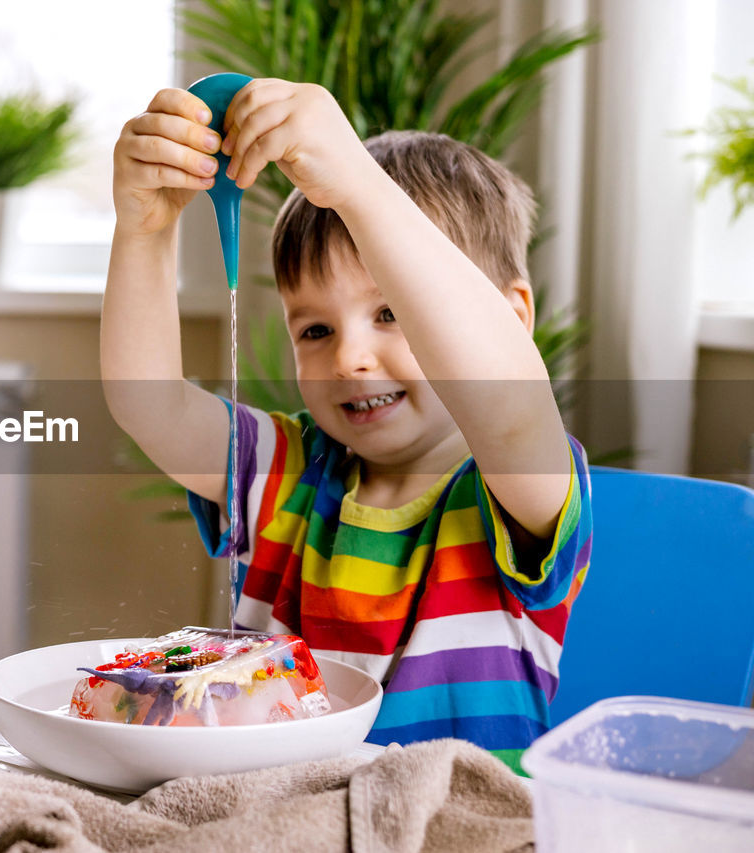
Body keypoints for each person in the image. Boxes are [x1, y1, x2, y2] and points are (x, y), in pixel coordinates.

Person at [100, 79, 592, 773]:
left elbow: (507, 403)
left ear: (508, 317)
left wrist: (358, 186)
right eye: (317, 329)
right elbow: (147, 403)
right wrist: (145, 231)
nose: (350, 359)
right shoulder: (284, 470)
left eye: (394, 314)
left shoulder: (518, 485)